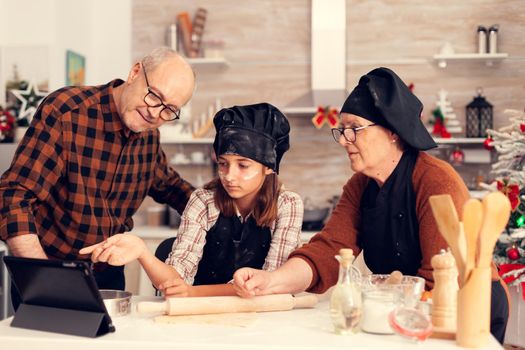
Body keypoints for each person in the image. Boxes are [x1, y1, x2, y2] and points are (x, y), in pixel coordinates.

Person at [233, 67, 510, 343]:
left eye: (354, 128)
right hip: (407, 313)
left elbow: (439, 278)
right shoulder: (360, 185)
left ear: (393, 132)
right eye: (341, 130)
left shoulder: (436, 181)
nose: (343, 140)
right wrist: (271, 281)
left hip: (465, 310)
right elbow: (328, 251)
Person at [0, 47, 196, 308]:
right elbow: (14, 196)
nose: (155, 114)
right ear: (135, 72)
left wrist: (227, 206)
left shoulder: (149, 134)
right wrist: (44, 276)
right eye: (154, 96)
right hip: (50, 265)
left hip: (109, 276)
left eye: (169, 110)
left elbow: (170, 186)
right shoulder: (67, 112)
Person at [80, 103, 304, 297]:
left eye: (243, 165)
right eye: (223, 163)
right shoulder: (203, 200)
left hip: (261, 318)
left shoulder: (288, 204)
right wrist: (141, 252)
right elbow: (175, 280)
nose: (229, 175)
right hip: (201, 315)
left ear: (268, 168)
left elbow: (271, 284)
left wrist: (194, 292)